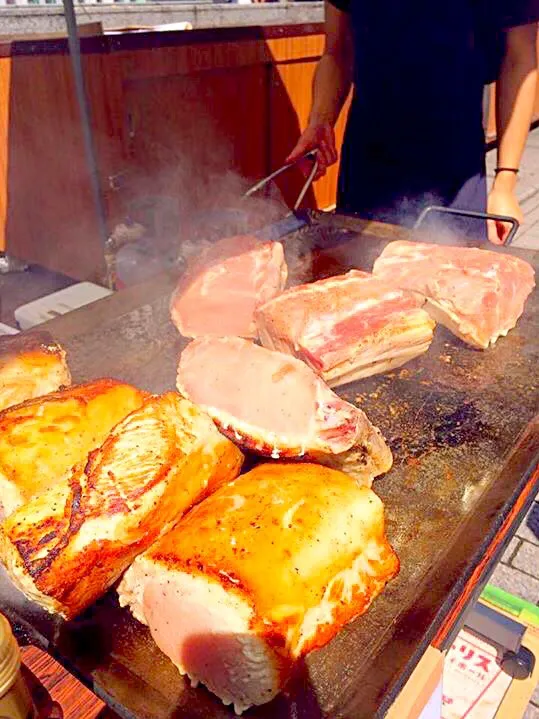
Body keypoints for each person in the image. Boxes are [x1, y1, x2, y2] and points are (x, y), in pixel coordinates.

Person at [287, 2, 539, 243]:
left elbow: (520, 57)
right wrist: (320, 120)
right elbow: (336, 52)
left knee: (452, 278)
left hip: (455, 160)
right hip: (368, 159)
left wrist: (505, 182)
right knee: (356, 274)